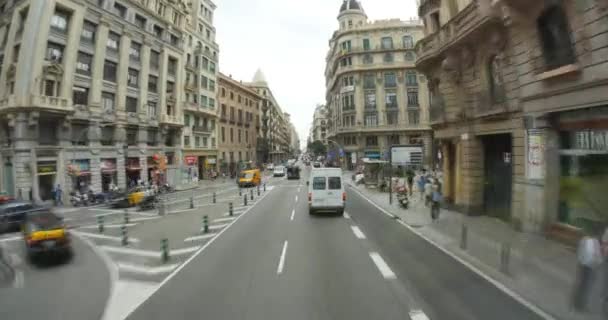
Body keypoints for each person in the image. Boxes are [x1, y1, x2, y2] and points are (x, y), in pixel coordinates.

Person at [572, 230, 603, 312]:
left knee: (581, 286)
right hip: (588, 267)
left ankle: (577, 303)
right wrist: (598, 262)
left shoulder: (585, 239)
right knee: (584, 287)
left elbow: (580, 253)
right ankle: (579, 305)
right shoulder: (593, 242)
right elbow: (594, 257)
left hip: (583, 265)